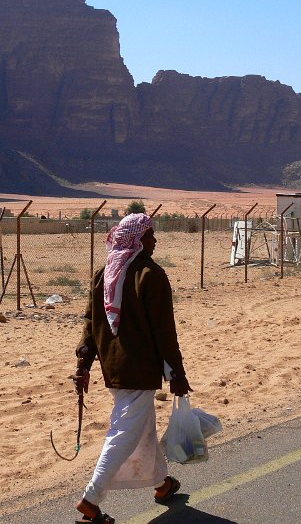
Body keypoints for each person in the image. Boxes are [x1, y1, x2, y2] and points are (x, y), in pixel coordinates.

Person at [72, 213, 192, 524]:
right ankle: (91, 499)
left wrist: (84, 363)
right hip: (138, 370)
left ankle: (162, 483)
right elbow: (164, 331)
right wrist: (176, 373)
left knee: (142, 427)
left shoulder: (104, 274)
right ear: (137, 240)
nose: (154, 241)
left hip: (113, 368)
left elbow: (90, 324)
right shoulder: (150, 275)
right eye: (150, 236)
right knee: (124, 431)